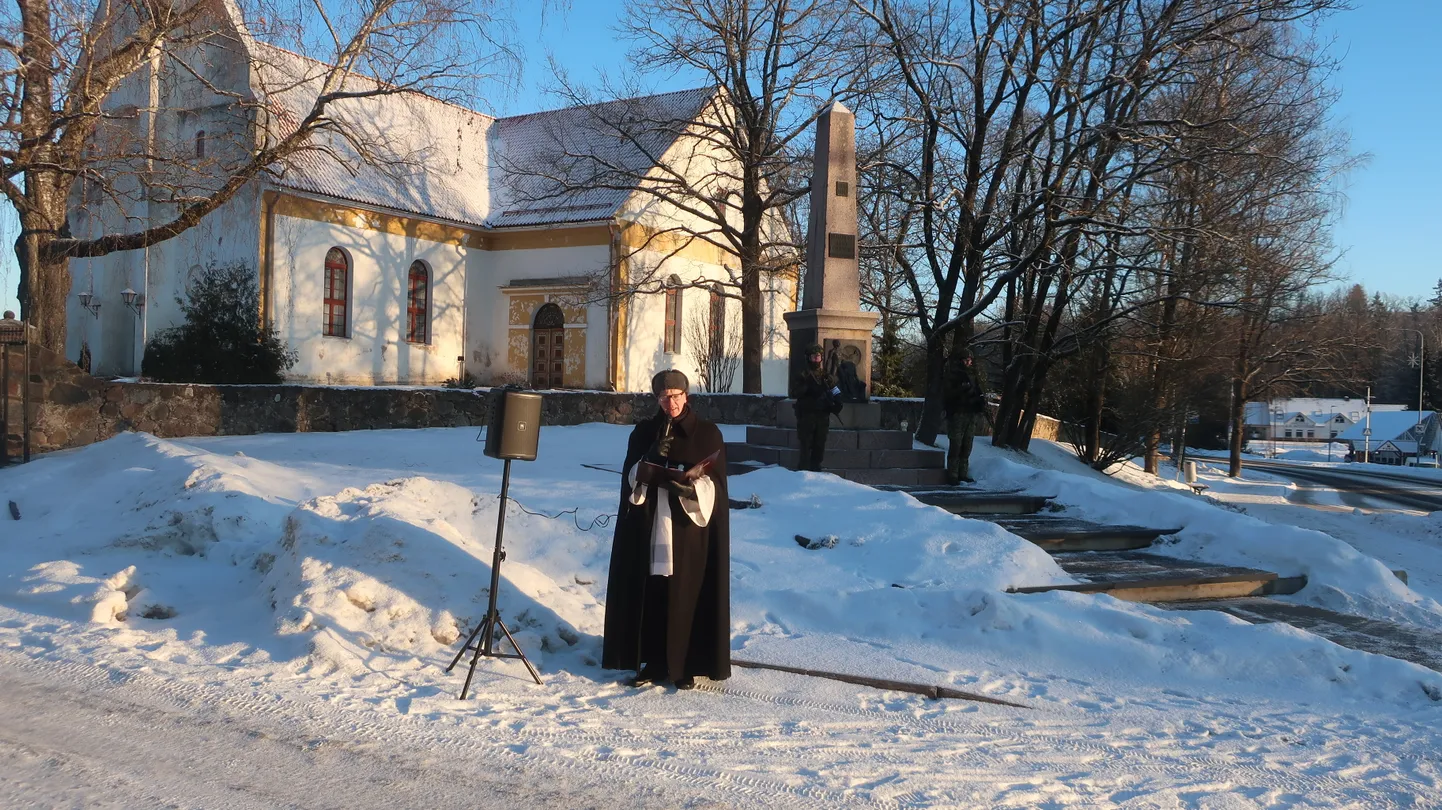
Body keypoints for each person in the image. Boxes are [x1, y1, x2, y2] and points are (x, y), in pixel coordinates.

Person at [602, 370, 731, 690]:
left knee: (684, 593)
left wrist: (690, 486)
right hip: (651, 523)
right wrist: (645, 467)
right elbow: (630, 476)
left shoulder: (707, 433)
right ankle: (654, 661)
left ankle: (684, 665)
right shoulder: (644, 432)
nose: (670, 402)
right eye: (663, 397)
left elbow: (715, 485)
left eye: (675, 395)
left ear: (686, 395)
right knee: (653, 592)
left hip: (688, 529)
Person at [792, 344, 842, 472]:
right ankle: (804, 471)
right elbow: (795, 392)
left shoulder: (825, 376)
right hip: (807, 415)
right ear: (808, 358)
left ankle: (816, 469)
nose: (816, 359)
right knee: (806, 445)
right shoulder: (803, 375)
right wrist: (808, 388)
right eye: (813, 357)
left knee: (819, 445)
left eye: (818, 357)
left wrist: (837, 402)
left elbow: (835, 389)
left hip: (822, 415)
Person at [942, 346, 987, 485]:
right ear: (961, 360)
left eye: (970, 360)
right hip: (957, 414)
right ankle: (953, 475)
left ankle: (962, 473)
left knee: (967, 445)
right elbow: (948, 395)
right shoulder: (953, 374)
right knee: (956, 445)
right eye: (967, 360)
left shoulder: (972, 376)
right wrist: (961, 391)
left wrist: (979, 402)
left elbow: (978, 393)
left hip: (970, 414)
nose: (970, 363)